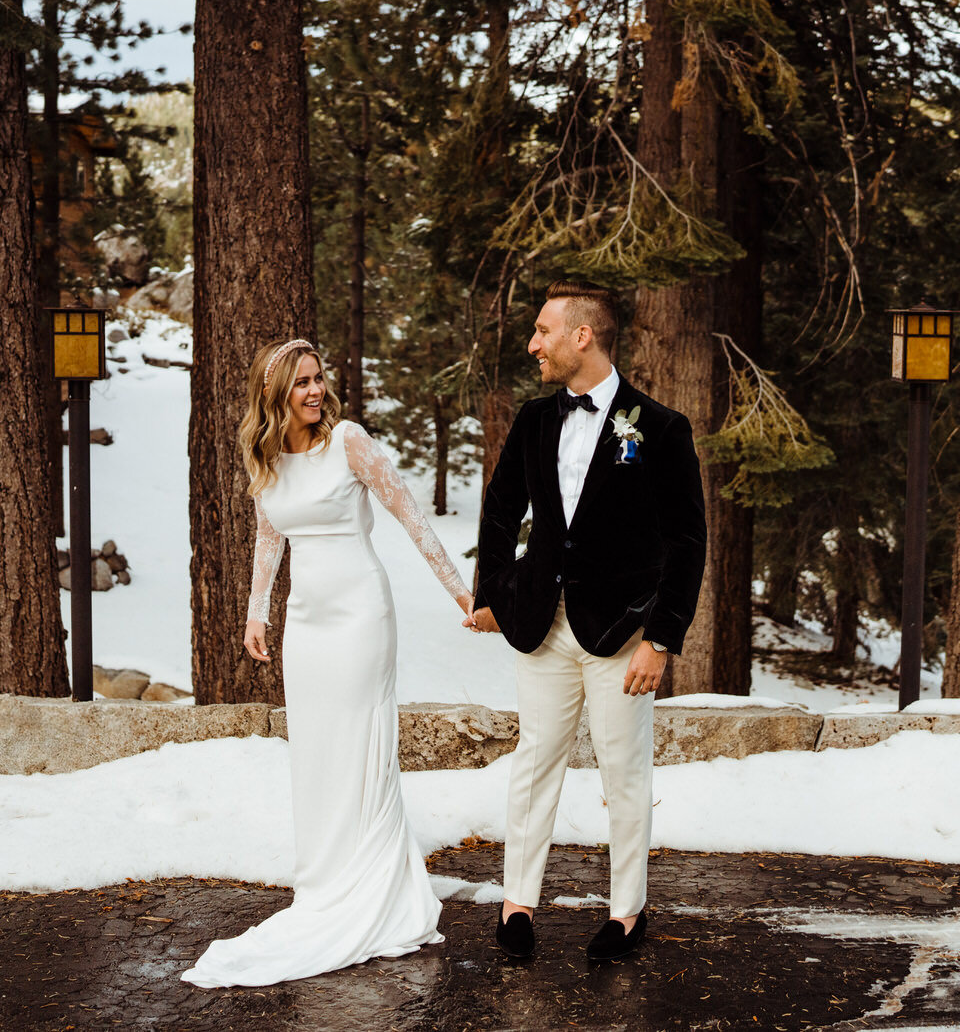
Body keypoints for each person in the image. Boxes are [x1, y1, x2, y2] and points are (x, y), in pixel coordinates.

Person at [181, 338, 473, 989]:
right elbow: (268, 536)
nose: (314, 391)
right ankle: (331, 882)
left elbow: (408, 513)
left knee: (363, 745)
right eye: (300, 383)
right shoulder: (269, 459)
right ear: (275, 393)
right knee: (318, 752)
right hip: (306, 624)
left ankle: (380, 892)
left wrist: (461, 590)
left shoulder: (348, 440)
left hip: (361, 615)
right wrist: (257, 612)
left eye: (318, 378)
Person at [467, 281, 707, 961]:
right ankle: (517, 905)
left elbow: (686, 542)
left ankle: (626, 911)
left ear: (583, 336)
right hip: (543, 625)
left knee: (622, 771)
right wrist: (493, 591)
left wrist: (661, 638)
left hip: (620, 633)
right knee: (534, 760)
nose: (533, 343)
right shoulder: (537, 420)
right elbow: (500, 505)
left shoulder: (658, 427)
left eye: (544, 330)